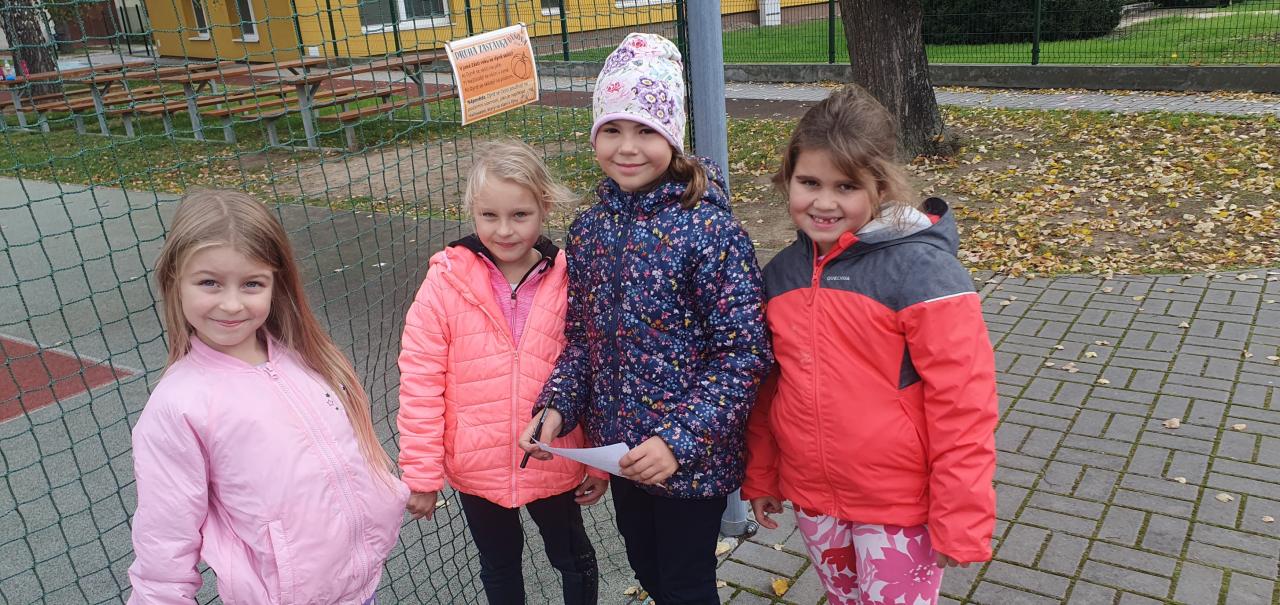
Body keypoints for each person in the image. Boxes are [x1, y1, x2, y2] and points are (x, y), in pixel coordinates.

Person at [517, 33, 772, 604]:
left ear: (672, 137)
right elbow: (582, 340)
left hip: (691, 460)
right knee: (650, 573)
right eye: (612, 129)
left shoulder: (709, 230)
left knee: (685, 586)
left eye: (646, 131)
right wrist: (555, 408)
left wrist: (677, 441)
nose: (627, 148)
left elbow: (743, 355)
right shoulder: (590, 231)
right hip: (622, 455)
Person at [742, 84, 999, 605]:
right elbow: (768, 388)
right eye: (809, 182)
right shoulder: (781, 274)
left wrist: (961, 514)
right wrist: (763, 475)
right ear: (788, 178)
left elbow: (964, 403)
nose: (824, 202)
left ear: (880, 187)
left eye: (846, 186)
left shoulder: (923, 273)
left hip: (900, 503)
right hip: (816, 498)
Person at [128, 190, 408, 604]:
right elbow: (163, 546)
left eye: (252, 284)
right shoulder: (179, 405)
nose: (231, 304)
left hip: (358, 587)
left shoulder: (304, 358)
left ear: (275, 284)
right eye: (209, 282)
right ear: (175, 281)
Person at [398, 140, 605, 605]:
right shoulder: (445, 281)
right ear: (472, 211)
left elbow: (591, 371)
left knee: (573, 558)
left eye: (520, 215)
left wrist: (596, 460)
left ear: (544, 207)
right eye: (489, 215)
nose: (505, 230)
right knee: (499, 565)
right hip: (478, 463)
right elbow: (420, 381)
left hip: (554, 457)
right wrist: (421, 474)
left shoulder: (570, 278)